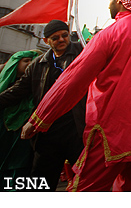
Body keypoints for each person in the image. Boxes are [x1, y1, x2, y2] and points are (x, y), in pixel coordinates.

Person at [20, 0, 131, 192]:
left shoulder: (110, 34)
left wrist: (40, 118)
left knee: (85, 189)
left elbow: (73, 80)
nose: (108, 5)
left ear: (120, 0)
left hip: (113, 131)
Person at [0, 20, 85, 191]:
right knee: (41, 181)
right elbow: (17, 91)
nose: (61, 39)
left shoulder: (83, 53)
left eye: (65, 35)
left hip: (78, 131)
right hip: (47, 133)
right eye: (55, 38)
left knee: (85, 179)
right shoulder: (37, 65)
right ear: (46, 41)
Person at [0, 50, 39, 190]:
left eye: (32, 61)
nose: (29, 64)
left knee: (20, 167)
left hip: (23, 135)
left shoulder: (36, 84)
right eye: (26, 60)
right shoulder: (4, 84)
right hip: (4, 132)